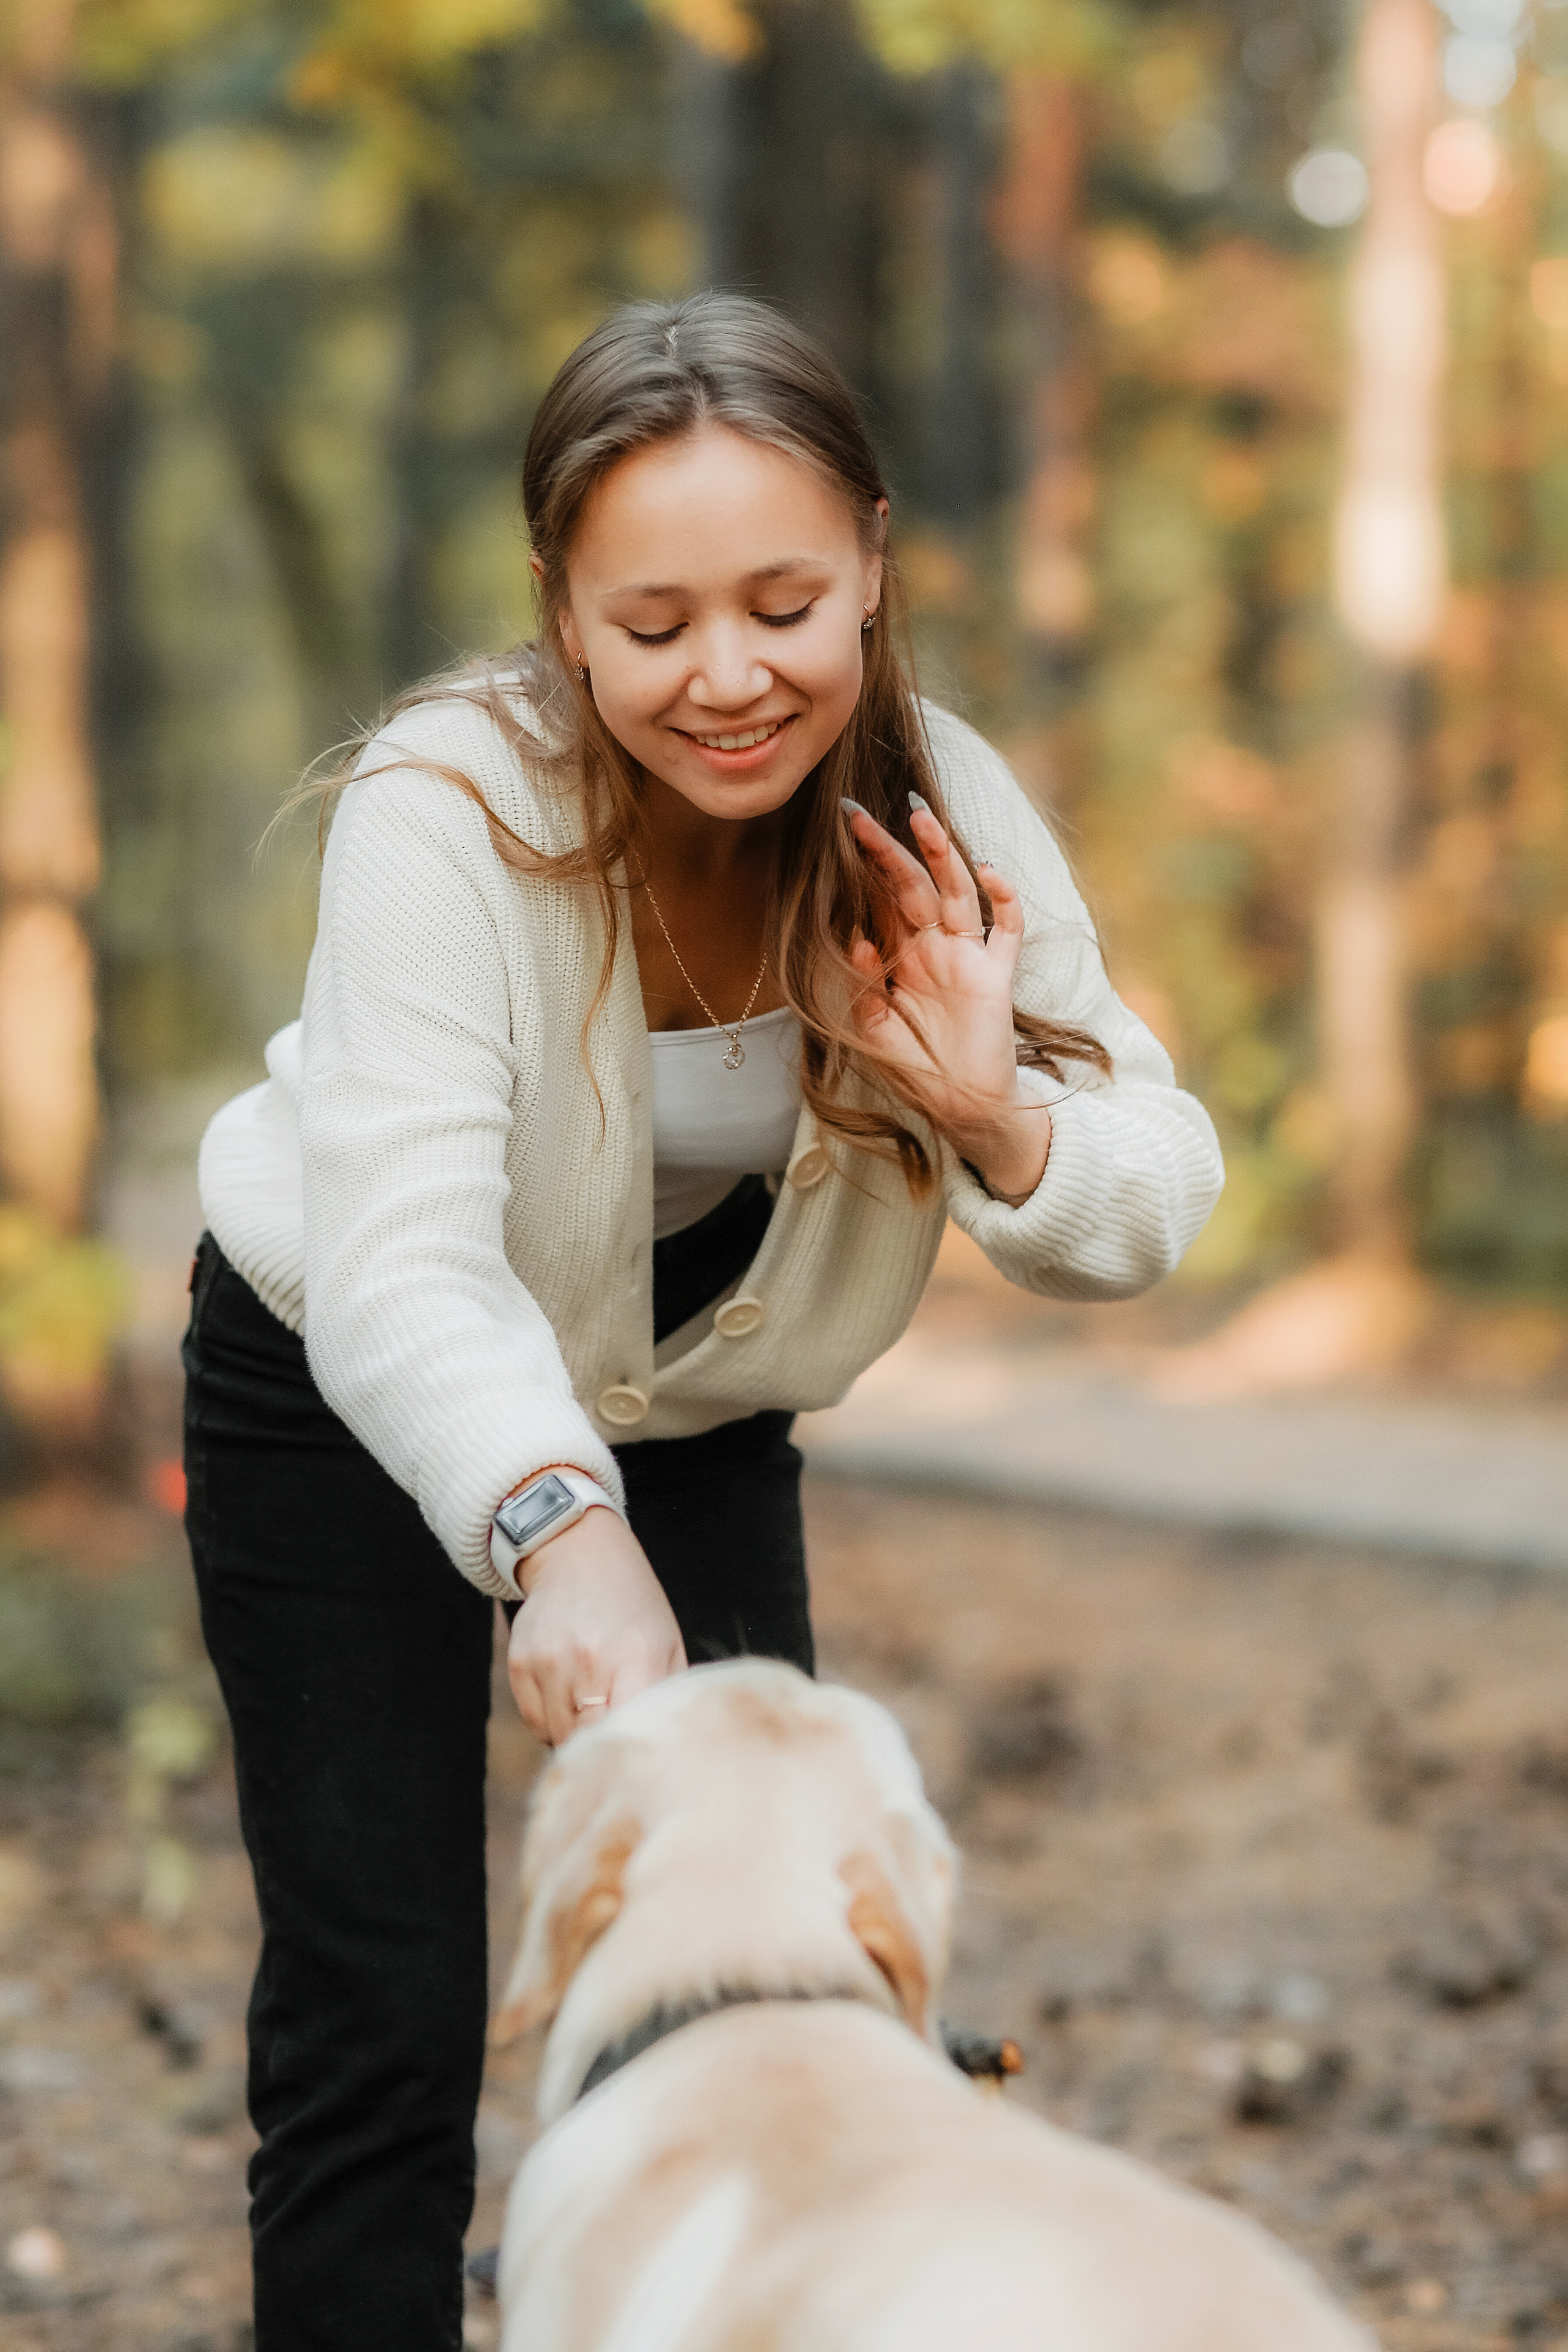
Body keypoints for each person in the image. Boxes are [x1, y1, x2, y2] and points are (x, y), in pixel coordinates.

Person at [183, 290, 1223, 2351]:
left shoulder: (942, 812)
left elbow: (1152, 1194)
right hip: (344, 1381)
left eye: (784, 606)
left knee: (764, 1988)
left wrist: (995, 1111)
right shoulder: (443, 809)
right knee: (381, 2010)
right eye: (654, 624)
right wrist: (557, 1524)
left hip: (699, 1399)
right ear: (563, 612)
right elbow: (403, 1263)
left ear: (874, 566)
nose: (729, 678)